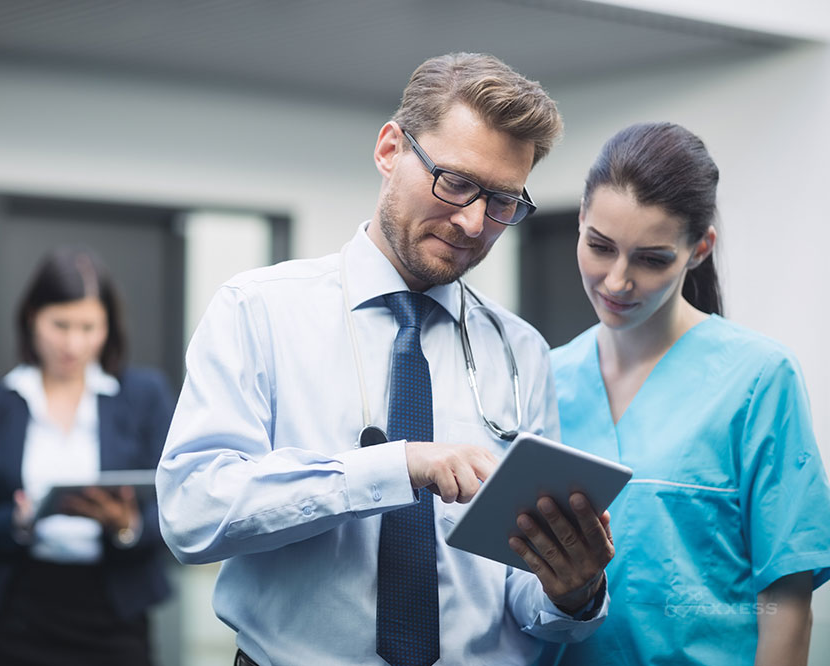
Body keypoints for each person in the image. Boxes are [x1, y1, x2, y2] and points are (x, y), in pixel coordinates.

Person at [157, 52, 615, 666]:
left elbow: (525, 602)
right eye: (454, 181)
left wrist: (572, 591)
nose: (473, 222)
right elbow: (192, 512)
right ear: (389, 150)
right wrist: (394, 467)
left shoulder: (518, 351)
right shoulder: (259, 310)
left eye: (503, 201)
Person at [549, 121, 830, 665]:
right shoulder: (544, 377)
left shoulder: (756, 379)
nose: (616, 281)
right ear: (580, 221)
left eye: (651, 258)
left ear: (699, 249)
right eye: (600, 247)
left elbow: (786, 605)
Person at [0, 248, 176, 666]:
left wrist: (126, 526)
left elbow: (175, 508)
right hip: (20, 611)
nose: (74, 343)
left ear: (108, 326)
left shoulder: (143, 396)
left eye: (89, 327)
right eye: (60, 325)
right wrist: (19, 521)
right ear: (31, 317)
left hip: (115, 612)